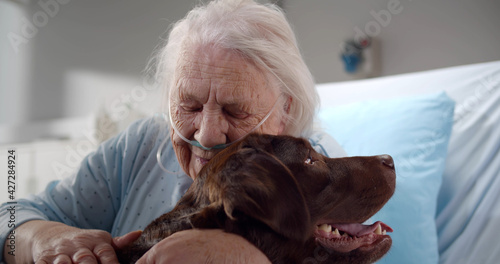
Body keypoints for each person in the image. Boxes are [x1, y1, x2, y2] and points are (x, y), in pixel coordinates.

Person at [1, 0, 346, 263]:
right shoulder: (139, 146)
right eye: (190, 106)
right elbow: (10, 216)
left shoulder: (315, 171)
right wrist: (41, 238)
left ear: (285, 109)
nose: (207, 135)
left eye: (234, 110)